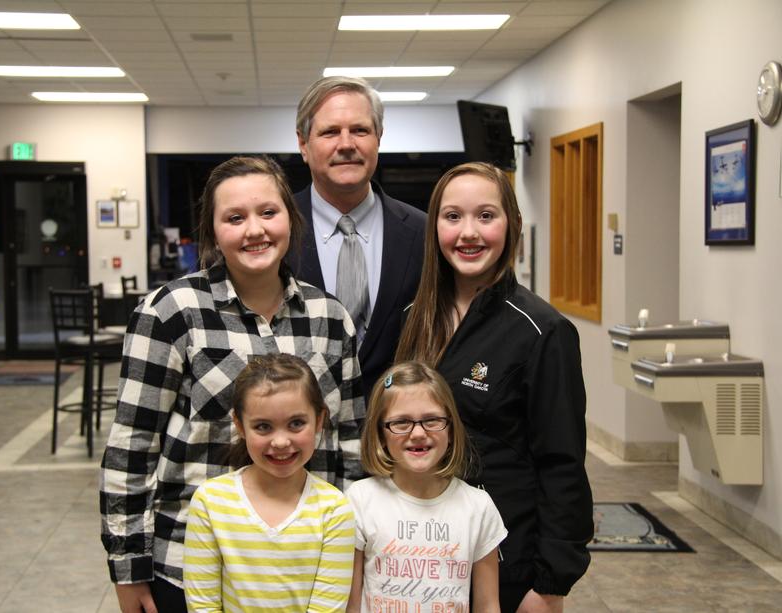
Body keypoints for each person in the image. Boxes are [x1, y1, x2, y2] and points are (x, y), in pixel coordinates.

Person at [100, 155, 365, 613]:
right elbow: (133, 445)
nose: (254, 230)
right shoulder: (171, 311)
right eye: (234, 218)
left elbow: (352, 446)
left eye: (268, 212)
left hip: (307, 571)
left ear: (289, 217)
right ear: (213, 231)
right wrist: (128, 568)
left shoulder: (329, 317)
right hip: (193, 569)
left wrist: (356, 558)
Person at [395, 162, 593, 613]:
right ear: (434, 228)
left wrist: (549, 584)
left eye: (486, 215)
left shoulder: (542, 330)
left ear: (512, 225)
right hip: (421, 555)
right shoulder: (413, 318)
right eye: (452, 217)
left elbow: (563, 464)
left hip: (508, 561)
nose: (469, 232)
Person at [184, 353, 356, 611]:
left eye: (296, 423)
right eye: (263, 427)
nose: (281, 442)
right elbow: (202, 605)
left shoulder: (334, 510)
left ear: (319, 420)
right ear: (240, 426)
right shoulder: (210, 501)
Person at [290, 75, 427, 396]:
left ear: (378, 137)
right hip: (298, 436)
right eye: (330, 132)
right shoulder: (272, 233)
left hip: (398, 430)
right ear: (303, 144)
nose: (347, 144)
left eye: (360, 130)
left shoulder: (424, 233)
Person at [346, 361, 507, 613]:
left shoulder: (478, 507)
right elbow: (351, 605)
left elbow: (487, 605)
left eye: (431, 420)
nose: (418, 433)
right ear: (380, 434)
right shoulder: (360, 500)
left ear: (452, 429)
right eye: (401, 422)